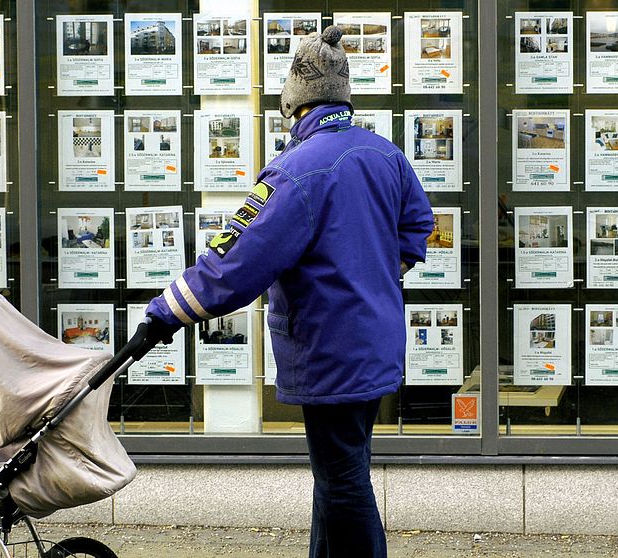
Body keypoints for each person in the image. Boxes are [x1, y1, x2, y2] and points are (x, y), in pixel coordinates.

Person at [130, 25, 432, 558]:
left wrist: (163, 313)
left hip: (328, 348)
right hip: (375, 342)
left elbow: (236, 262)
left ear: (294, 103)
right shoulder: (386, 155)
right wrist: (378, 276)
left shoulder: (295, 171)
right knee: (340, 470)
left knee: (343, 482)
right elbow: (417, 226)